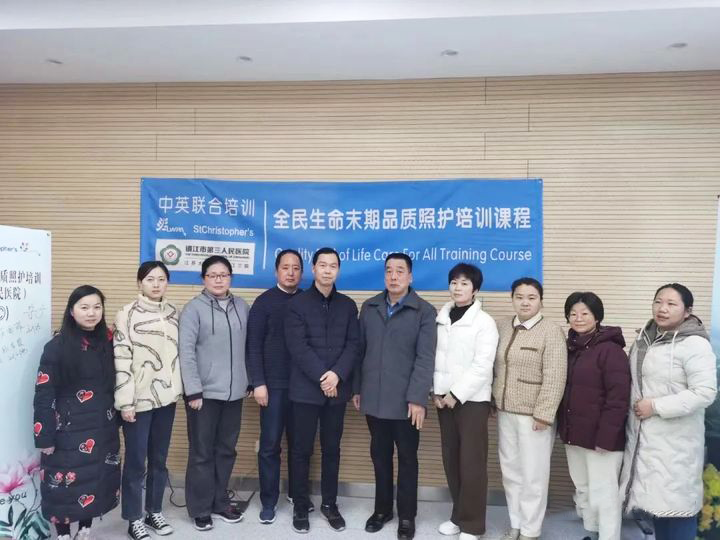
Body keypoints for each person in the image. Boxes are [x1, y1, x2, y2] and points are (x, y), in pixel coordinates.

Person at [620, 283, 717, 540]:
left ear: (687, 311)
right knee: (658, 507)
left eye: (671, 304)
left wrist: (655, 406)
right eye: (658, 301)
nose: (662, 309)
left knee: (677, 509)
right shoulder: (646, 338)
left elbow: (705, 392)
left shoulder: (695, 344)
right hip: (647, 439)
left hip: (676, 441)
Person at [353, 252, 437, 540]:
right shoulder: (370, 306)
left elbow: (426, 359)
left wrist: (417, 398)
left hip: (406, 403)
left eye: (400, 271)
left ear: (410, 277)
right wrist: (357, 388)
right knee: (379, 456)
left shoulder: (424, 311)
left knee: (407, 459)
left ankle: (407, 516)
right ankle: (382, 510)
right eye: (389, 270)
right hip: (374, 398)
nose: (393, 276)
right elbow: (359, 351)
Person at [33, 285, 121, 540]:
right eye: (84, 307)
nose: (91, 313)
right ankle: (62, 534)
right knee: (63, 485)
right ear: (72, 311)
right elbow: (44, 394)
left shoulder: (110, 341)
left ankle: (84, 531)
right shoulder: (56, 346)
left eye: (97, 307)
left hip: (102, 428)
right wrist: (44, 437)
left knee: (94, 481)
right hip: (66, 431)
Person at [284, 247, 360, 534]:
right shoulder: (297, 304)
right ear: (313, 269)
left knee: (332, 449)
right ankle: (300, 505)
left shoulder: (348, 305)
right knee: (301, 450)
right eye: (323, 265)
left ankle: (330, 504)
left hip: (336, 391)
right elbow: (297, 347)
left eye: (333, 266)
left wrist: (337, 375)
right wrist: (323, 376)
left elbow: (354, 344)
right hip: (305, 390)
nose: (328, 270)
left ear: (338, 270)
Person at [492, 277, 567, 540]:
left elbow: (556, 375)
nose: (525, 302)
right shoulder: (502, 326)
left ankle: (531, 530)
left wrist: (544, 414)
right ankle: (516, 522)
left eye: (531, 297)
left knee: (533, 475)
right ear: (512, 299)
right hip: (505, 411)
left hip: (534, 417)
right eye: (519, 297)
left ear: (541, 301)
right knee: (510, 471)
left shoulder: (551, 331)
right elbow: (495, 368)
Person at [179, 255, 250, 532]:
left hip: (234, 395)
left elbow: (248, 347)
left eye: (224, 274)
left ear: (231, 277)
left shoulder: (242, 306)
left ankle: (220, 502)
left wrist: (248, 382)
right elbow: (186, 353)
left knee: (226, 451)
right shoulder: (193, 309)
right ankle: (200, 508)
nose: (219, 279)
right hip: (203, 395)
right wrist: (193, 390)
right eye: (213, 275)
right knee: (201, 453)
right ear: (203, 279)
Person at [114, 261, 183, 539]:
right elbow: (121, 359)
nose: (156, 284)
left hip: (166, 398)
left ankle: (154, 511)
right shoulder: (126, 314)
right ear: (139, 283)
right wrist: (126, 402)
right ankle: (134, 518)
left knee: (159, 458)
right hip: (138, 402)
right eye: (150, 279)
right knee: (135, 461)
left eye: (162, 279)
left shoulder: (173, 312)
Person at [557, 292, 630, 540]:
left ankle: (609, 536)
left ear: (597, 317)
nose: (578, 318)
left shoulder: (611, 351)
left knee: (604, 493)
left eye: (585, 313)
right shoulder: (570, 348)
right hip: (574, 434)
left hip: (602, 439)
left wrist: (607, 437)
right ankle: (593, 532)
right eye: (573, 313)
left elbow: (618, 398)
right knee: (584, 488)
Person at [433, 263, 498, 540]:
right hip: (442, 400)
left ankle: (473, 525)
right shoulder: (441, 317)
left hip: (471, 401)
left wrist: (455, 394)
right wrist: (435, 391)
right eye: (454, 282)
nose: (458, 288)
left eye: (464, 283)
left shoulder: (484, 322)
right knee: (451, 459)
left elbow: (483, 365)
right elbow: (433, 357)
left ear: (475, 289)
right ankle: (458, 516)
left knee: (471, 462)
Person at [246, 249, 308, 524]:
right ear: (276, 271)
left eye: (296, 268)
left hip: (304, 387)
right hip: (272, 387)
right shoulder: (264, 302)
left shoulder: (309, 300)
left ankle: (297, 495)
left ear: (302, 273)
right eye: (286, 267)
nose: (291, 272)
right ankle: (268, 501)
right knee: (270, 445)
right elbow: (253, 346)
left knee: (301, 444)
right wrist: (258, 383)